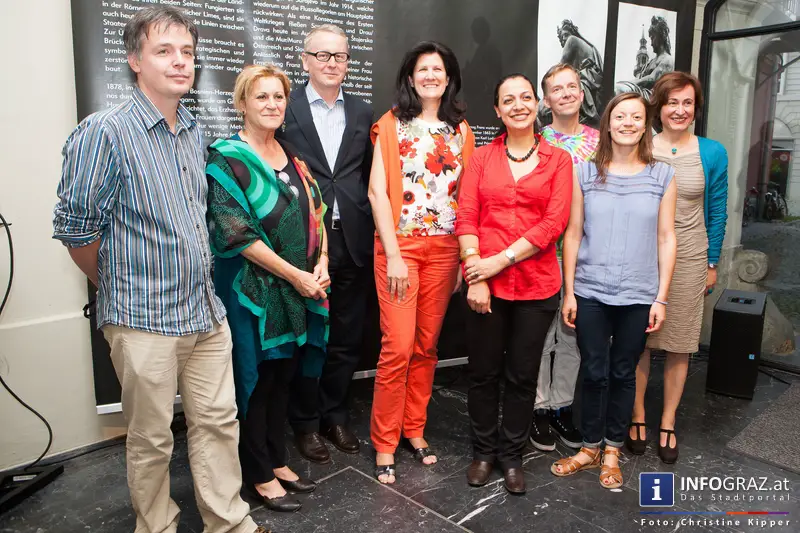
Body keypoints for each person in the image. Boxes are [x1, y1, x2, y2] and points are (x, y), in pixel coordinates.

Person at [53, 7, 264, 533]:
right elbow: (77, 231)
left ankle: (229, 521)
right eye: (164, 51)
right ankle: (157, 525)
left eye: (187, 52)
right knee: (150, 438)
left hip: (204, 314)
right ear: (134, 61)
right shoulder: (103, 132)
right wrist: (119, 287)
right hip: (142, 319)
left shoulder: (196, 132)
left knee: (218, 423)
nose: (179, 62)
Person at [206, 64, 327, 512]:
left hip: (295, 287)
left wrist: (323, 263)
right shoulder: (225, 158)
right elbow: (235, 233)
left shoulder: (292, 156)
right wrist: (297, 275)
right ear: (241, 103)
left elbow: (317, 212)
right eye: (262, 97)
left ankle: (276, 458)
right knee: (254, 381)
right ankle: (256, 472)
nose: (272, 105)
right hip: (249, 291)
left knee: (282, 377)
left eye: (279, 97)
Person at [551, 93, 677, 489]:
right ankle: (588, 447)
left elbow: (667, 238)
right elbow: (572, 235)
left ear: (646, 125)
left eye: (635, 117)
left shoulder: (663, 175)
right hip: (590, 291)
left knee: (624, 373)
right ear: (606, 123)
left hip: (639, 295)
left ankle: (612, 450)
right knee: (592, 371)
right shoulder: (585, 173)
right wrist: (569, 291)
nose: (627, 122)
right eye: (619, 116)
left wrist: (661, 297)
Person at [457, 74, 572, 494]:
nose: (519, 105)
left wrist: (497, 262)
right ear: (498, 110)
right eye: (509, 99)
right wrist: (476, 274)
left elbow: (553, 224)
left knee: (522, 377)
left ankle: (511, 456)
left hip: (536, 288)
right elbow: (466, 217)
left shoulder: (558, 161)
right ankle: (484, 452)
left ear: (537, 104)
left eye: (526, 97)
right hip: (484, 285)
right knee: (483, 374)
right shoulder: (482, 160)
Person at [368, 41, 475, 484]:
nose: (431, 75)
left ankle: (414, 428)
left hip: (445, 251)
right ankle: (384, 442)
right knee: (397, 348)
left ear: (448, 78)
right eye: (422, 69)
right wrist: (393, 253)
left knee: (427, 347)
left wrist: (463, 260)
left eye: (438, 69)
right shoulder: (392, 124)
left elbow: (467, 199)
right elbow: (377, 192)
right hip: (400, 249)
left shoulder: (462, 130)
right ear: (410, 78)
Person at [278, 24, 374, 464]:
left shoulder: (362, 112)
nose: (332, 63)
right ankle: (304, 424)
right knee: (308, 337)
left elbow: (364, 175)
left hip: (353, 239)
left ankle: (335, 415)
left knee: (347, 337)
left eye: (340, 56)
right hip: (305, 242)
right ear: (305, 60)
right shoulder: (285, 107)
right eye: (322, 55)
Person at [628, 72, 728, 464]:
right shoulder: (639, 145)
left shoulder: (712, 152)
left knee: (680, 343)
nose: (680, 110)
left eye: (687, 103)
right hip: (640, 256)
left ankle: (667, 421)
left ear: (695, 109)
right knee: (638, 341)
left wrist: (712, 261)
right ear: (659, 107)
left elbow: (717, 209)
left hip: (689, 255)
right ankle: (637, 414)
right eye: (672, 102)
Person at [530, 63, 600, 454]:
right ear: (547, 99)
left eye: (572, 86)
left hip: (589, 253)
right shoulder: (538, 142)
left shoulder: (600, 142)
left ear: (582, 91)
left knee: (573, 335)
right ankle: (539, 408)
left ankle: (563, 406)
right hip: (544, 253)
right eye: (557, 88)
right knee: (542, 335)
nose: (567, 93)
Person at [538, 20, 604, 128]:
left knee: (540, 108)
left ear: (572, 32)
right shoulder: (589, 46)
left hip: (585, 86)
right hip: (590, 87)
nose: (564, 39)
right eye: (562, 37)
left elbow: (558, 73)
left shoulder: (572, 40)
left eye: (565, 34)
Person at [615, 16, 675, 98]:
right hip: (641, 91)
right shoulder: (651, 61)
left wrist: (630, 83)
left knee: (618, 89)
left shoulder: (667, 59)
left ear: (661, 36)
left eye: (653, 37)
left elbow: (652, 79)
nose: (651, 43)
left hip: (652, 97)